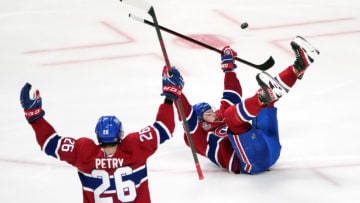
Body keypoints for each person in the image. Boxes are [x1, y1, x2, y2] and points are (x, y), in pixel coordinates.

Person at [20, 66, 184, 203]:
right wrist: (170, 96)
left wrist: (35, 117)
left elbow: (50, 144)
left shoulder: (84, 153)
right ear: (120, 135)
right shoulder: (134, 147)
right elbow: (164, 128)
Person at [175, 36, 320, 174]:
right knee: (233, 114)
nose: (213, 113)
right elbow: (187, 118)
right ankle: (265, 97)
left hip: (269, 146)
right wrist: (177, 93)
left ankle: (299, 66)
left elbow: (232, 95)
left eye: (211, 110)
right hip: (253, 162)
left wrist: (228, 69)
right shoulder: (197, 137)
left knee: (262, 97)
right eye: (208, 114)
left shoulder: (220, 116)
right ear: (200, 121)